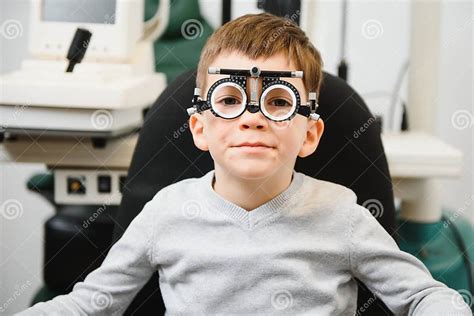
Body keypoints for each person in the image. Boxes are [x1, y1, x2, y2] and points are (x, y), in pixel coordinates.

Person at [17, 13, 471, 315]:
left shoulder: (342, 218)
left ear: (309, 134)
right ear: (199, 128)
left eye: (277, 101)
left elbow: (423, 295)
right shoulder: (165, 214)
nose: (252, 118)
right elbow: (90, 303)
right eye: (230, 99)